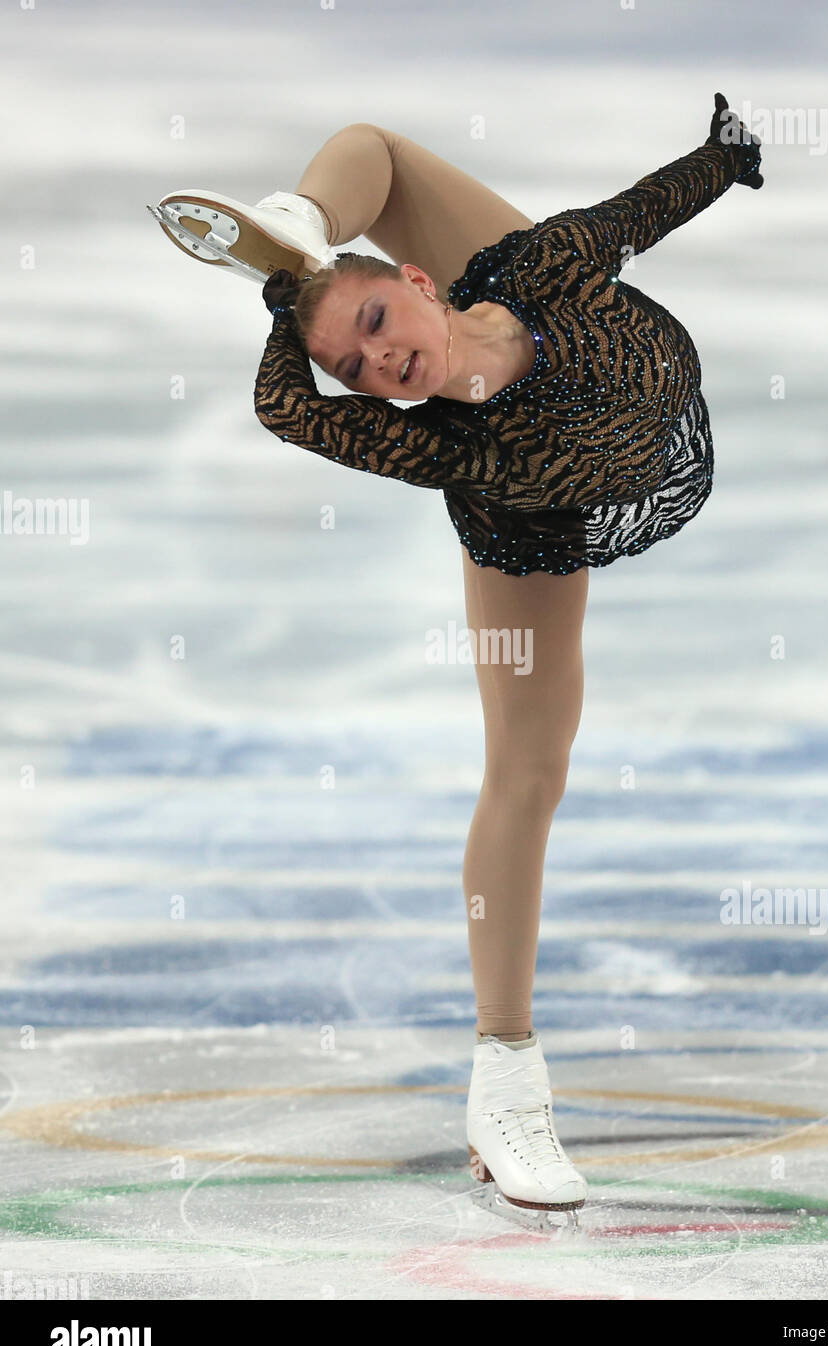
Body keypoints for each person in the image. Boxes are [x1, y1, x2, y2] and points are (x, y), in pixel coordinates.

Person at [147, 94, 763, 1231]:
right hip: (527, 516)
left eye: (379, 316)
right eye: (362, 363)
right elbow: (283, 405)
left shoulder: (536, 266)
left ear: (425, 280)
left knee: (371, 149)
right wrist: (296, 308)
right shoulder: (426, 434)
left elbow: (640, 212)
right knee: (528, 775)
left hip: (598, 360)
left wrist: (729, 156)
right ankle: (505, 1078)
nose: (385, 360)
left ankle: (302, 223)